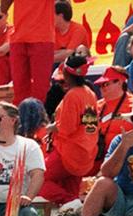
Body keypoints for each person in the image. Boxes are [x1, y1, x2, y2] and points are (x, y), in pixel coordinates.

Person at [40, 54, 99, 205]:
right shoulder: (90, 93)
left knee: (37, 179)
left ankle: (71, 203)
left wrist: (52, 128)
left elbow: (66, 128)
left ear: (66, 74)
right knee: (71, 196)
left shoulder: (72, 96)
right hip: (85, 152)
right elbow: (90, 125)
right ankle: (73, 208)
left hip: (69, 153)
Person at [4, 0, 55, 104]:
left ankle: (36, 117)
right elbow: (3, 8)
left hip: (41, 38)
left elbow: (3, 8)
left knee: (39, 91)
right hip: (19, 38)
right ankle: (23, 117)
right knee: (19, 91)